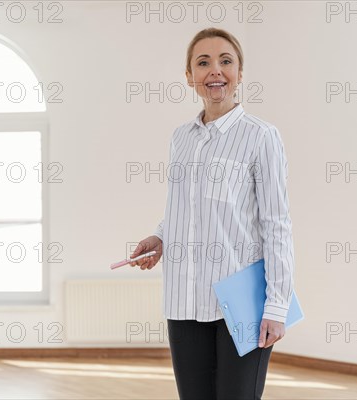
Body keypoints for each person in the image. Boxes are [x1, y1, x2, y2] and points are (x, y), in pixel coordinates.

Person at [129, 27, 296, 400]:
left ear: (240, 72)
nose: (214, 70)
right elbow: (184, 206)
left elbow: (277, 225)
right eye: (203, 63)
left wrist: (277, 305)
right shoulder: (181, 137)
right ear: (189, 77)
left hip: (242, 298)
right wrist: (160, 236)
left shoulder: (261, 136)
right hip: (184, 297)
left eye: (226, 61)